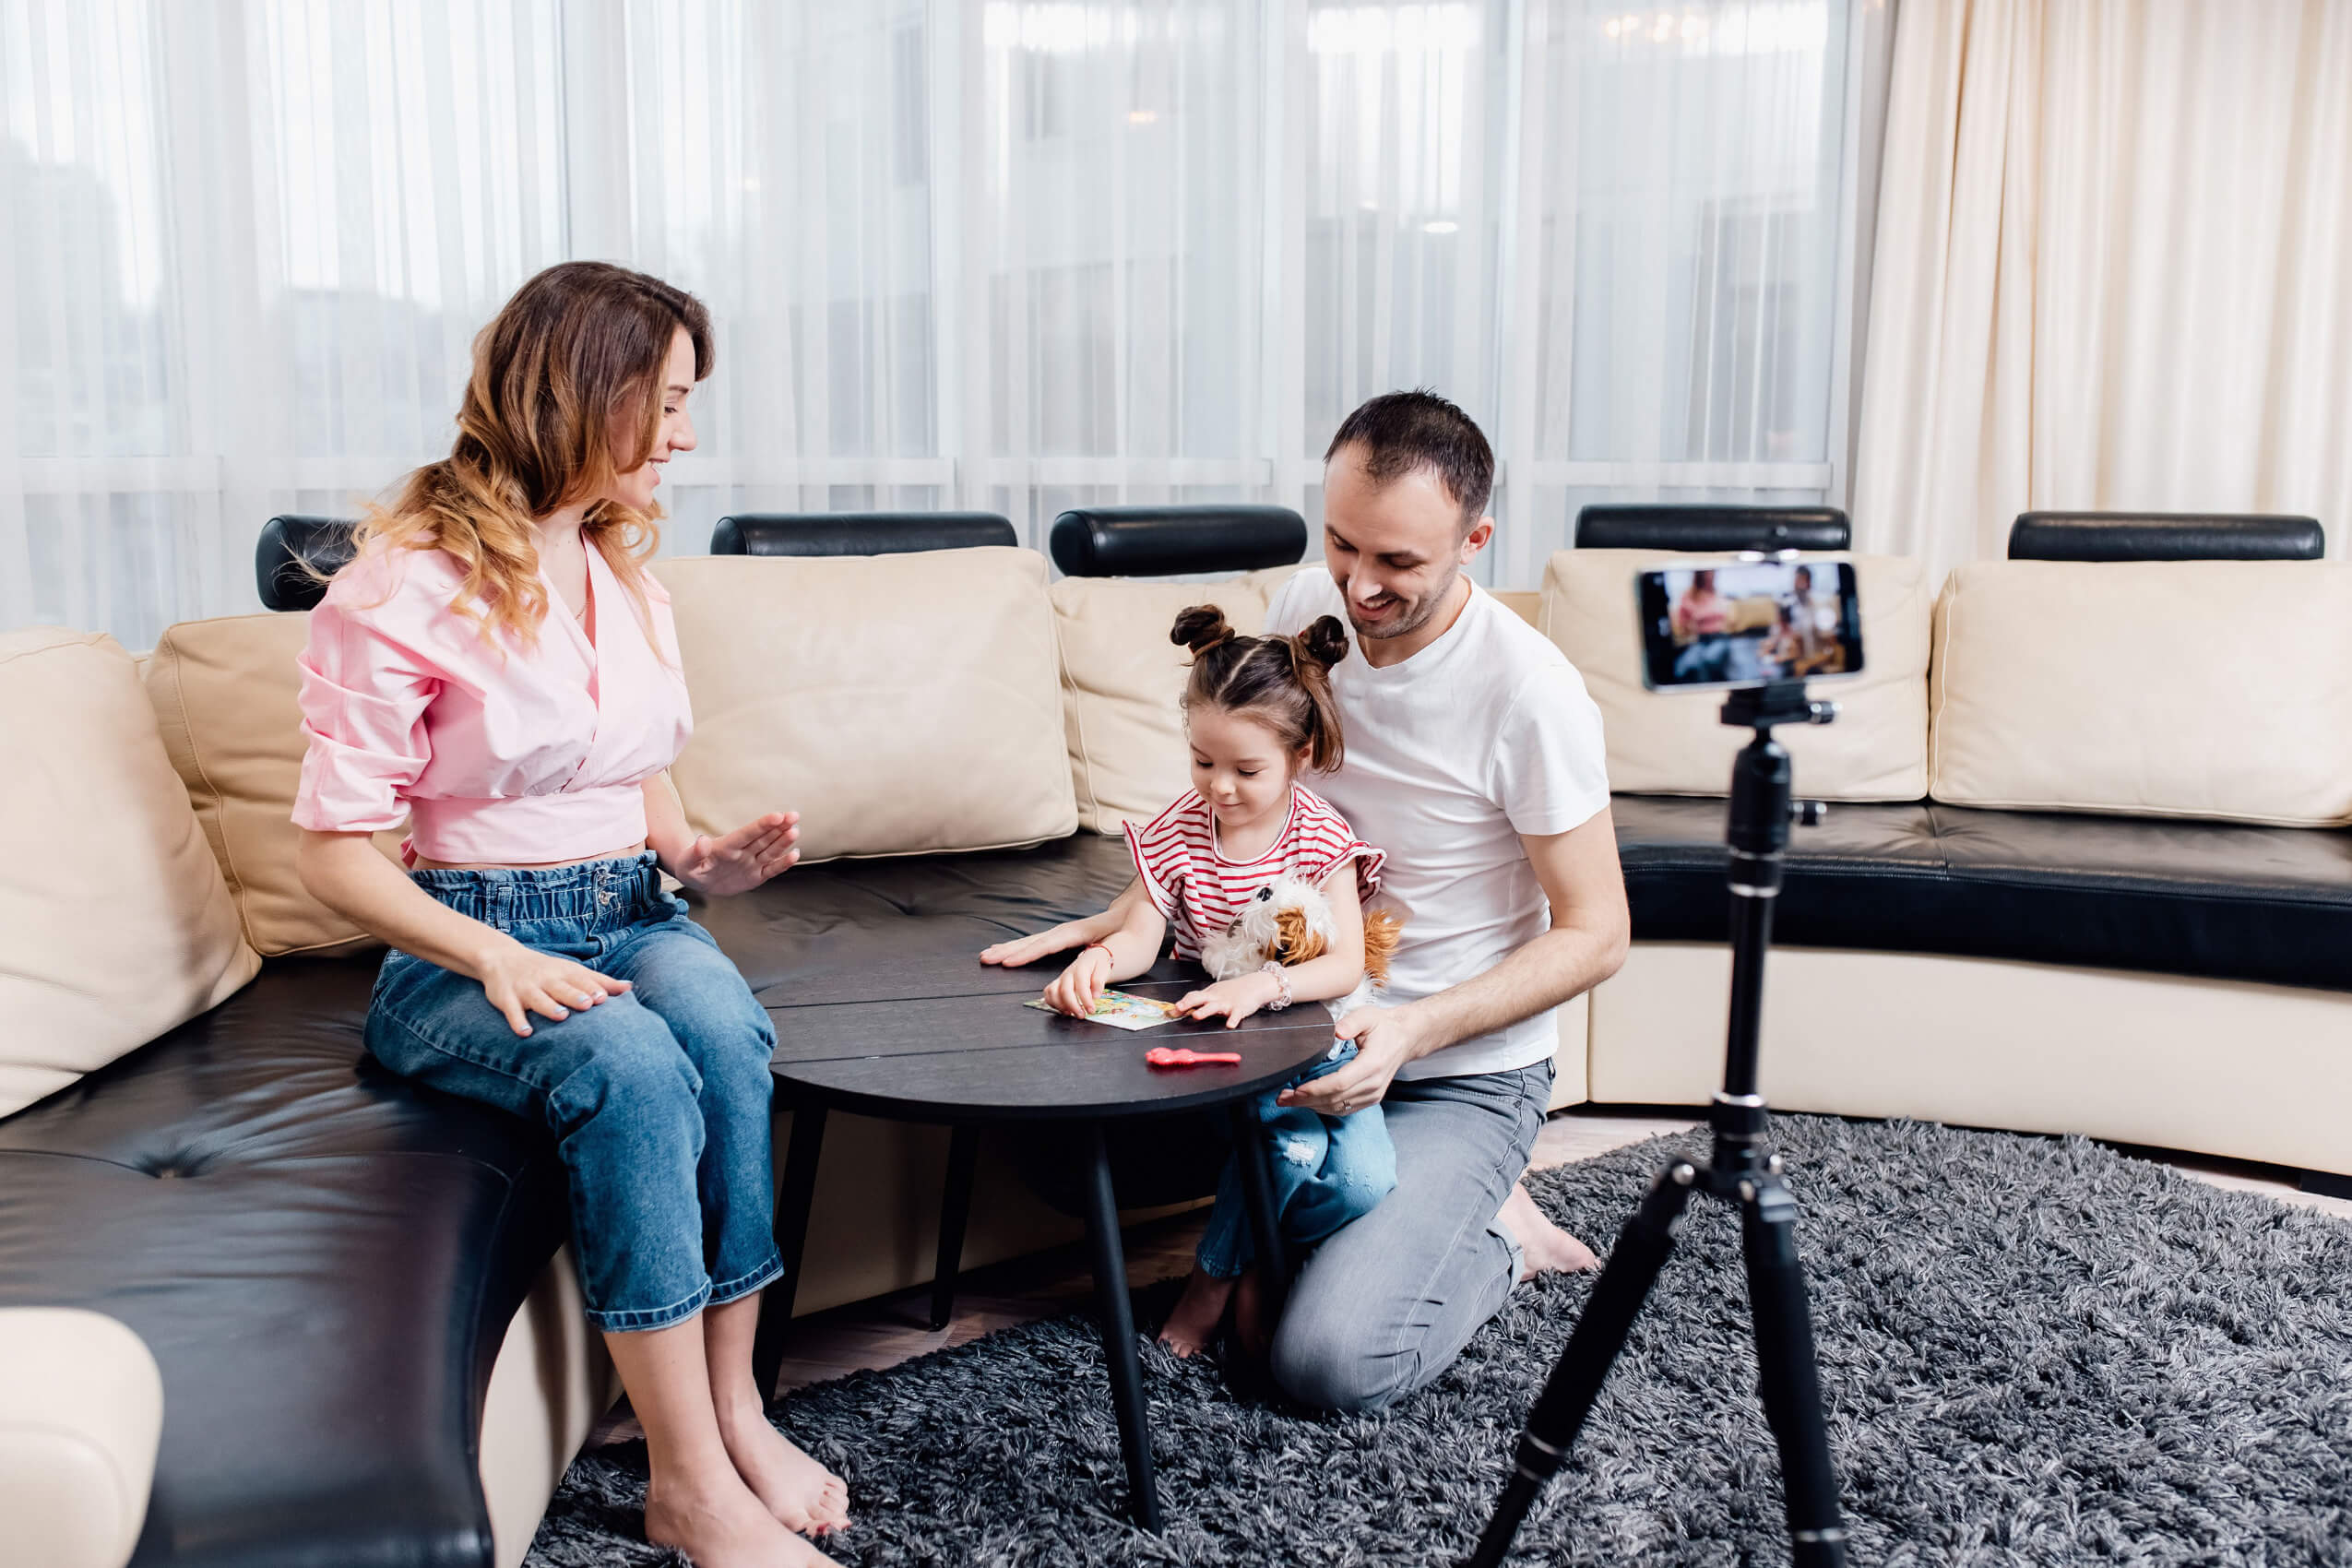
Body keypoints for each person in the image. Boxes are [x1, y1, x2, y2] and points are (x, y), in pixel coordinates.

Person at [291, 262, 846, 1568]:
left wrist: (696, 860)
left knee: (725, 1030)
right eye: (663, 401)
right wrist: (498, 956)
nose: (686, 435)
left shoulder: (616, 565)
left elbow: (625, 762)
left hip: (627, 907)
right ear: (576, 394)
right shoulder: (399, 588)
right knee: (634, 1069)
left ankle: (734, 1405)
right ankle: (687, 1482)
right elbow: (333, 857)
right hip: (461, 943)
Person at [992, 389, 1629, 1412]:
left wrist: (1411, 1029)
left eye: (1399, 563)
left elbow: (1599, 933)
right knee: (1062, 1138)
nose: (1360, 585)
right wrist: (1131, 910)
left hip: (1455, 1070)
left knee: (1327, 1361)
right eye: (1342, 543)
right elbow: (1240, 787)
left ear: (1476, 540)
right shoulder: (1303, 610)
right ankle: (1409, 1208)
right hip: (1293, 1030)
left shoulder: (1532, 695)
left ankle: (1499, 1233)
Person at [1020, 606, 1397, 1360]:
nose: (1218, 788)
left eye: (1245, 770)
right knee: (1288, 1152)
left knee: (1362, 1184)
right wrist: (1098, 960)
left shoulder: (1322, 837)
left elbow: (1345, 966)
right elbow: (1140, 934)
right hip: (1234, 1057)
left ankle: (1254, 1256)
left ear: (1302, 753)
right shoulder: (1178, 830)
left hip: (1317, 1039)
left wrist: (1263, 987)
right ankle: (1219, 1280)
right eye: (1202, 761)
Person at [1672, 569, 1736, 683]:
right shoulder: (1689, 596)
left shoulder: (1718, 594)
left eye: (1713, 573)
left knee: (1710, 659)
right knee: (1684, 665)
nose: (1711, 576)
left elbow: (1730, 619)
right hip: (1701, 640)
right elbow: (1682, 624)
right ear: (1699, 575)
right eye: (1708, 573)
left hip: (1721, 638)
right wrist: (1690, 629)